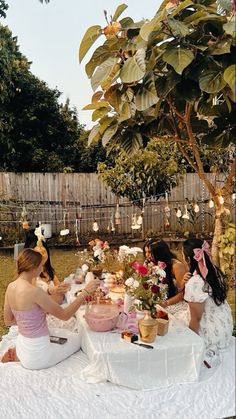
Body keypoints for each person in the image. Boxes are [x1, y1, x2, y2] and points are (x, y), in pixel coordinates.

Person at [2, 248, 100, 369]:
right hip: (38, 355)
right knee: (78, 338)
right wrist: (85, 292)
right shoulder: (34, 291)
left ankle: (18, 355)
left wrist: (31, 320)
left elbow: (8, 321)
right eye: (41, 266)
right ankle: (23, 356)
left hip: (23, 346)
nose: (42, 269)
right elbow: (65, 315)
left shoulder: (11, 287)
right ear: (33, 267)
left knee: (60, 334)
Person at [183, 238, 233, 355]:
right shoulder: (215, 271)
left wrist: (189, 345)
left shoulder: (196, 282)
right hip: (224, 325)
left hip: (211, 335)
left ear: (188, 259)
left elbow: (196, 319)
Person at [24, 229, 67, 304]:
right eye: (38, 254)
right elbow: (33, 300)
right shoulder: (31, 276)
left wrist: (62, 287)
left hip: (56, 306)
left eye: (44, 252)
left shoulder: (48, 270)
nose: (42, 256)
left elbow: (58, 286)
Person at [150, 240, 189, 320]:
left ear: (158, 254)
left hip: (176, 302)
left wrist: (166, 303)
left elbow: (184, 292)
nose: (150, 256)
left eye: (151, 253)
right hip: (163, 300)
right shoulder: (158, 264)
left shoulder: (177, 266)